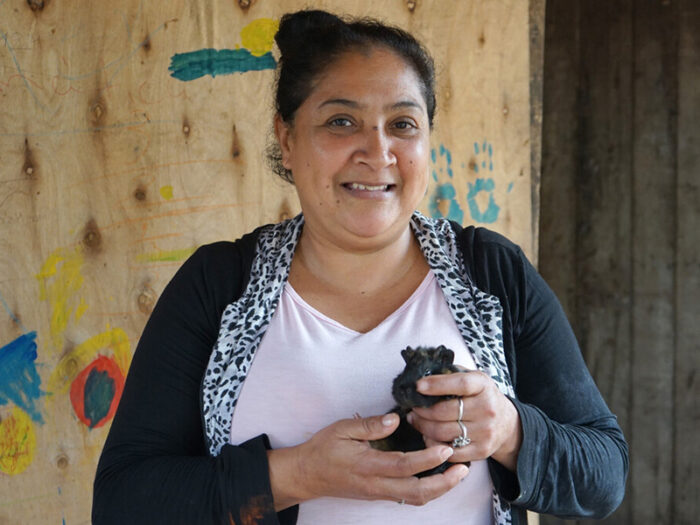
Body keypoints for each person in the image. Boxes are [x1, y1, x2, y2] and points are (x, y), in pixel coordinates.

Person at [92, 9, 628, 525]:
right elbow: (122, 502)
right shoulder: (219, 286)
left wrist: (510, 432)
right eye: (341, 121)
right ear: (287, 138)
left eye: (402, 124)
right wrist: (296, 474)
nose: (378, 151)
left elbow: (604, 475)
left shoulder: (490, 274)